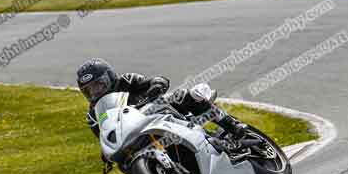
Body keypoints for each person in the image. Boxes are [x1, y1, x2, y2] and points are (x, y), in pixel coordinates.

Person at [76, 58, 253, 152]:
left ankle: (233, 125)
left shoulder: (127, 81)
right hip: (139, 135)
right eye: (89, 90)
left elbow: (156, 80)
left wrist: (156, 86)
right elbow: (106, 138)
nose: (95, 92)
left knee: (185, 96)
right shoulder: (94, 116)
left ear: (110, 76)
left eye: (98, 85)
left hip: (162, 111)